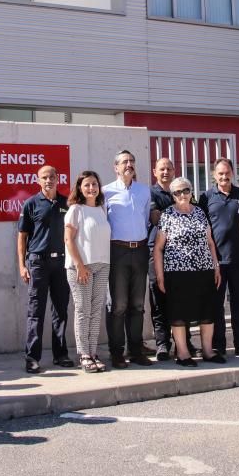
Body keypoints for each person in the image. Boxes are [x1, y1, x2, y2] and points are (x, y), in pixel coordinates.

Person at [153, 177, 225, 367]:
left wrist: (215, 266)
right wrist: (160, 275)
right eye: (177, 192)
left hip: (203, 270)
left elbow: (210, 242)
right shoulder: (167, 215)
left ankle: (208, 351)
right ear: (172, 196)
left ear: (191, 191)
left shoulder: (200, 212)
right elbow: (158, 248)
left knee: (207, 311)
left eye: (185, 190)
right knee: (178, 313)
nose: (182, 195)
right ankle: (183, 353)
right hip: (176, 272)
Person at [17, 164, 73, 374]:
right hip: (38, 263)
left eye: (52, 176)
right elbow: (22, 237)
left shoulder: (66, 203)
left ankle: (61, 355)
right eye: (44, 177)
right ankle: (32, 358)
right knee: (36, 312)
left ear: (58, 178)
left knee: (60, 310)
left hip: (61, 263)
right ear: (38, 180)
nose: (48, 180)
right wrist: (22, 265)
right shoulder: (31, 204)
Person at [103, 150, 154, 369]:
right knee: (118, 305)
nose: (129, 165)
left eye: (132, 161)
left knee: (138, 304)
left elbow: (145, 219)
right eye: (124, 162)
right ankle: (117, 352)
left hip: (140, 250)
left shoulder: (144, 191)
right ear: (116, 167)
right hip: (118, 251)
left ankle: (136, 350)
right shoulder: (105, 192)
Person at [198, 158, 239, 358]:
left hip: (238, 260)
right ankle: (219, 345)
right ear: (214, 175)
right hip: (216, 262)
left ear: (232, 174)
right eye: (220, 173)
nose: (224, 176)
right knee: (217, 307)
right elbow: (202, 227)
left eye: (227, 172)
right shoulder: (206, 197)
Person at [64, 171, 112, 373]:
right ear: (80, 188)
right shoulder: (75, 210)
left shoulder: (101, 209)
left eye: (94, 184)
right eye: (87, 185)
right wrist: (79, 265)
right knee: (83, 310)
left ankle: (93, 352)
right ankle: (84, 354)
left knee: (95, 311)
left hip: (102, 265)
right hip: (81, 267)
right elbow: (68, 240)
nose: (91, 188)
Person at [149, 157, 179, 360]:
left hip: (179, 253)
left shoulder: (180, 190)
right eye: (162, 169)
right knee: (158, 299)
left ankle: (183, 342)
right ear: (155, 172)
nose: (166, 172)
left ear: (174, 171)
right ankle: (162, 344)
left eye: (169, 168)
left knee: (180, 300)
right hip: (156, 252)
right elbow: (155, 218)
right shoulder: (150, 193)